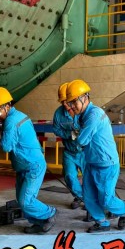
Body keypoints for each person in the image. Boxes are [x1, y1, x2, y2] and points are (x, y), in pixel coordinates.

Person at [0, 87, 57, 234]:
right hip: (24, 165)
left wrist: (3, 132)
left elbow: (6, 146)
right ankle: (38, 223)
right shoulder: (19, 116)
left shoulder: (11, 121)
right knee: (21, 198)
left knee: (26, 200)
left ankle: (49, 213)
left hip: (32, 166)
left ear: (7, 106)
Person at [65, 79, 125, 233]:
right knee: (88, 196)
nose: (72, 106)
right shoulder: (81, 115)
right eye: (70, 103)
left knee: (106, 200)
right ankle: (102, 223)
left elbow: (82, 139)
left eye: (74, 102)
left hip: (106, 163)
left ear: (85, 97)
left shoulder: (94, 115)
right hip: (91, 162)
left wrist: (75, 139)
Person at [52, 82, 85, 210]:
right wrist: (70, 134)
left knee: (90, 177)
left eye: (67, 101)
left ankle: (90, 199)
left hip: (85, 151)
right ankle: (80, 197)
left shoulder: (83, 111)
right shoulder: (58, 114)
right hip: (70, 152)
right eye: (62, 102)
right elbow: (56, 130)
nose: (65, 104)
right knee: (69, 176)